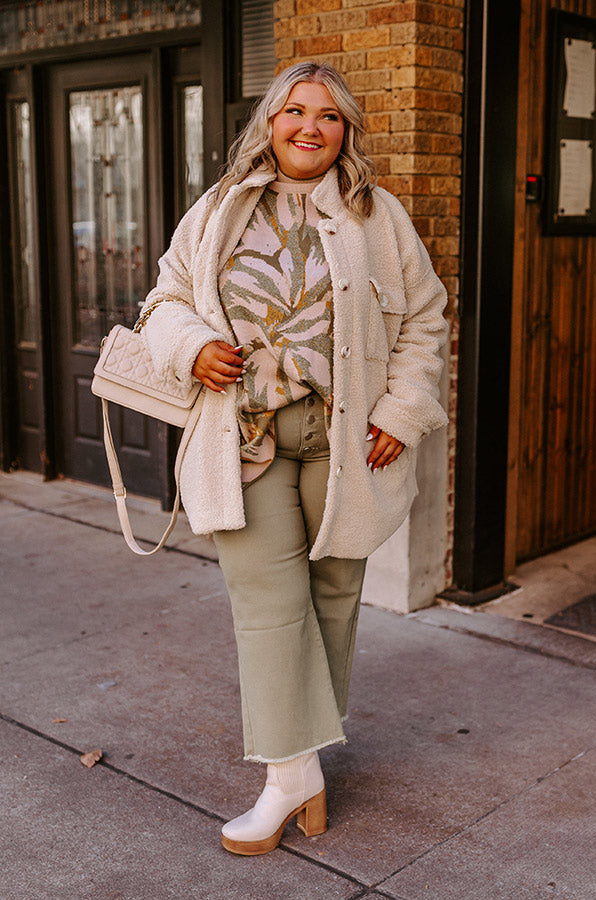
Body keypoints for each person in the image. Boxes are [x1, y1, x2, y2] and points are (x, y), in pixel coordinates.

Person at [138, 61, 448, 856]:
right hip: (247, 437)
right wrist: (194, 345)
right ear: (268, 122)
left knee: (335, 595)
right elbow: (162, 302)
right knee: (268, 602)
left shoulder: (379, 215)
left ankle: (299, 767)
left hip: (349, 437)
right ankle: (288, 780)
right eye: (295, 111)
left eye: (329, 116)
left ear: (346, 131)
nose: (310, 127)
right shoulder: (218, 210)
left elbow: (425, 317)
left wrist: (403, 410)